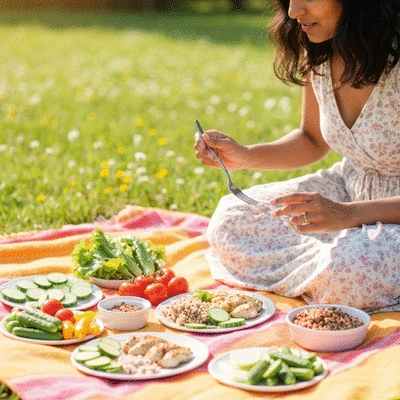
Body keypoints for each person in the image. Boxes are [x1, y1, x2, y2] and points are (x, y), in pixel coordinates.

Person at [194, 0, 400, 313]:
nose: (293, 11)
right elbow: (311, 139)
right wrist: (244, 156)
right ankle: (327, 275)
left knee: (348, 268)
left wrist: (350, 215)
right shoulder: (320, 50)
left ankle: (334, 270)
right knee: (232, 218)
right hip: (350, 187)